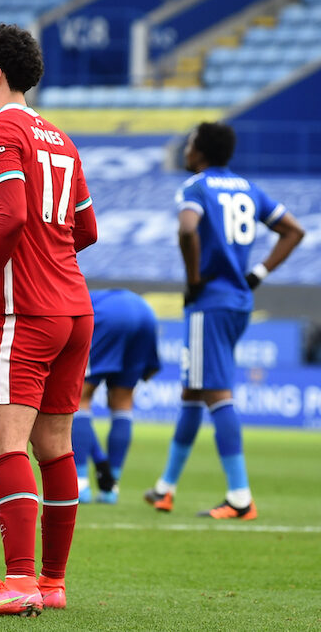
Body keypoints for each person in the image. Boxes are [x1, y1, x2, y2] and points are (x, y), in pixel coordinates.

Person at [0, 23, 97, 616]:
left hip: (26, 310)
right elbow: (85, 229)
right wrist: (50, 257)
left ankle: (17, 582)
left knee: (3, 446)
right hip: (74, 307)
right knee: (55, 447)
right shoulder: (59, 137)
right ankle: (52, 584)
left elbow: (8, 217)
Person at [144, 122, 304, 520]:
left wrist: (194, 279)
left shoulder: (196, 187)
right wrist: (258, 274)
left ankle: (239, 496)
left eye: (190, 143)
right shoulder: (248, 188)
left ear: (201, 151)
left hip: (211, 301)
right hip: (239, 298)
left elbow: (187, 229)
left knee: (215, 391)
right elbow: (293, 230)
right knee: (193, 390)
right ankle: (165, 488)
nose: (186, 150)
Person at [73, 289, 160, 504]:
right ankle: (110, 488)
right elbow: (150, 371)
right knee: (122, 401)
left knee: (77, 398)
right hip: (145, 312)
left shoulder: (63, 303)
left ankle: (79, 484)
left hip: (109, 316)